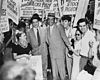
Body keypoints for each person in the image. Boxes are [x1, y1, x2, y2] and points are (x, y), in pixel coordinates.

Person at [46, 13, 72, 80]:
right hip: (52, 54)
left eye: (52, 19)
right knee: (54, 74)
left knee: (62, 73)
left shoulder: (59, 26)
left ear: (55, 20)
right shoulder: (47, 29)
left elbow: (64, 37)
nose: (50, 21)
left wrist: (70, 48)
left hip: (60, 53)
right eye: (49, 19)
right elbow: (47, 41)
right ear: (47, 20)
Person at [27, 13, 48, 80]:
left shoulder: (44, 29)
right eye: (33, 22)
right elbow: (28, 43)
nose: (35, 24)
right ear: (31, 23)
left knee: (44, 69)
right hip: (35, 53)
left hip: (44, 52)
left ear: (39, 22)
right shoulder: (29, 32)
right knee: (36, 70)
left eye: (36, 22)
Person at [61, 15, 73, 79]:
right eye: (63, 21)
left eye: (65, 21)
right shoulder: (62, 30)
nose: (63, 23)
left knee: (70, 67)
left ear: (69, 22)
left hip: (70, 51)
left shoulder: (73, 30)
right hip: (63, 51)